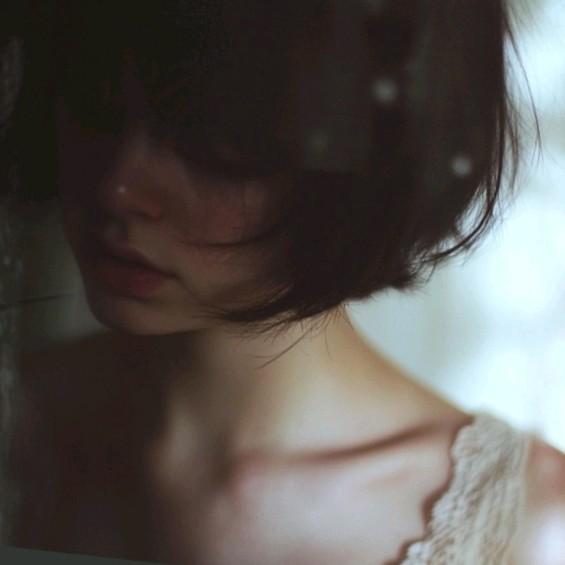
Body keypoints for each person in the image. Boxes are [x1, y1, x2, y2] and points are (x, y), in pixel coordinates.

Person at [7, 0, 565, 563]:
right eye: (96, 108)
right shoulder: (20, 424)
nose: (118, 188)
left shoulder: (530, 528)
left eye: (215, 145)